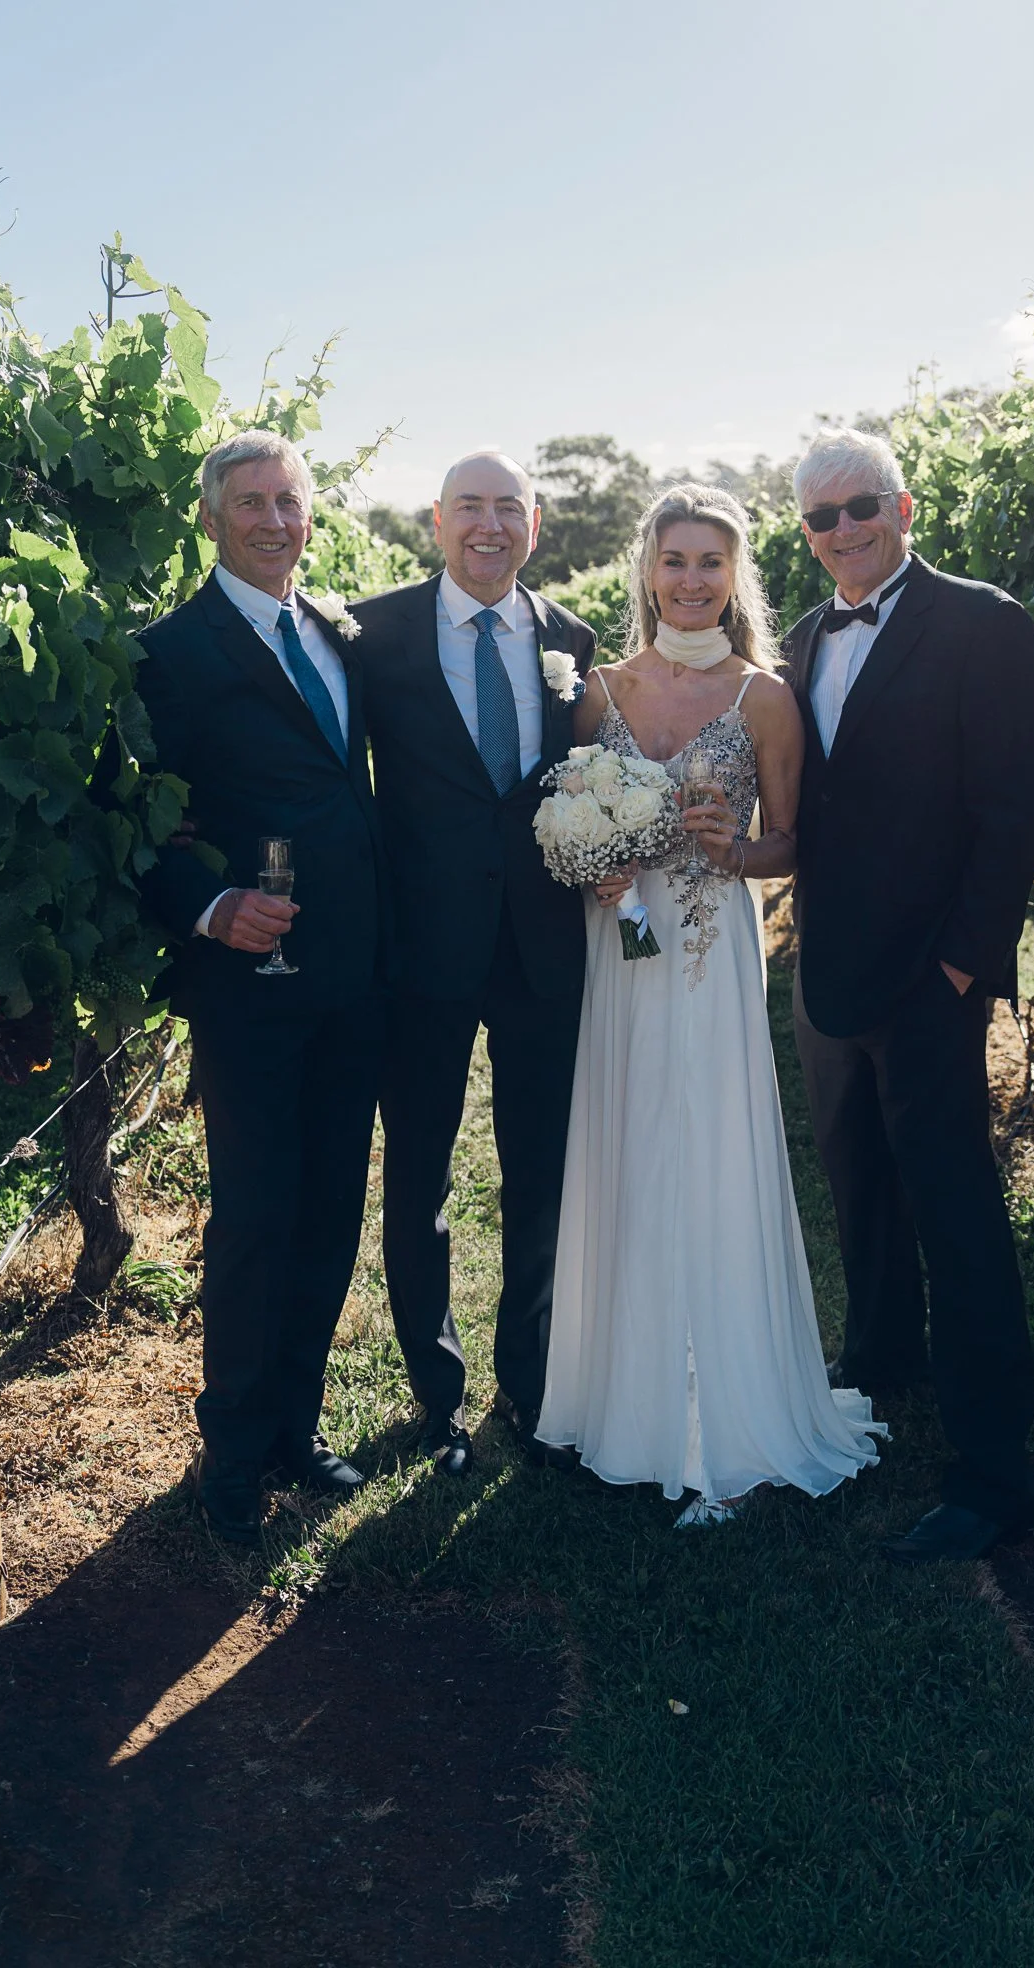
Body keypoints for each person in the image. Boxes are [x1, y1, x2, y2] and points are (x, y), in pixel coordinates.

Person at [536, 484, 886, 1525]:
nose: (692, 581)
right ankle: (627, 1397)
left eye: (711, 562)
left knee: (711, 1146)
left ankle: (726, 1405)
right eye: (675, 560)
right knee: (632, 1144)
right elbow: (571, 811)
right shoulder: (598, 693)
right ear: (647, 571)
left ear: (736, 577)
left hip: (709, 947)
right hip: (623, 947)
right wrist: (593, 866)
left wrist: (737, 852)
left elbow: (793, 842)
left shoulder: (763, 697)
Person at [782, 427, 1034, 1566]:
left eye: (862, 506)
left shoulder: (986, 623)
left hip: (930, 977)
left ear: (902, 507)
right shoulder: (804, 637)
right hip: (829, 972)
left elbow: (1019, 809)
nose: (844, 528)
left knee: (956, 1209)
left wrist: (962, 965)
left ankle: (993, 1475)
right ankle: (880, 1365)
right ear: (807, 535)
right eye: (822, 517)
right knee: (858, 1184)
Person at [125, 429, 389, 1547]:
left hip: (353, 977)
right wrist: (208, 904)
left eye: (288, 500)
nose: (274, 520)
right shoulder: (166, 653)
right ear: (210, 518)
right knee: (253, 1215)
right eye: (250, 502)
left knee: (330, 1207)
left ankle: (294, 1425)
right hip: (249, 982)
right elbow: (126, 814)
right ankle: (230, 1450)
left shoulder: (336, 630)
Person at [352, 451, 597, 1475]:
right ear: (436, 520)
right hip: (421, 948)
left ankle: (530, 1385)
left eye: (508, 508)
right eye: (469, 507)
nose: (488, 526)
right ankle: (438, 1396)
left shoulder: (573, 639)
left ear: (535, 524)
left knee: (542, 1174)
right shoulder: (370, 634)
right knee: (420, 1174)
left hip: (544, 947)